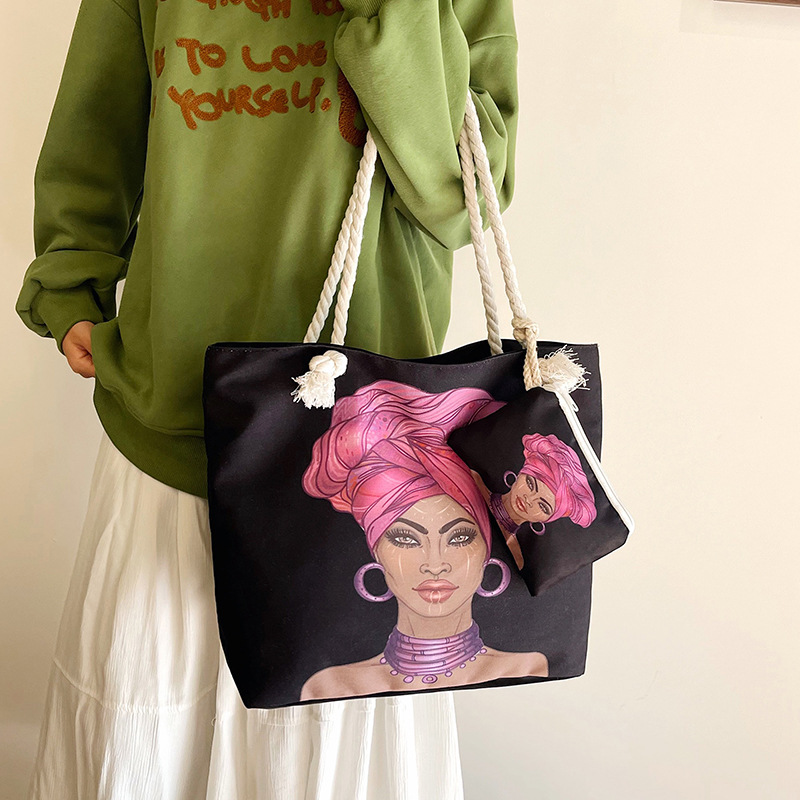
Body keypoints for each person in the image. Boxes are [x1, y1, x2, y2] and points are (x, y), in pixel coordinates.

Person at [14, 0, 519, 796]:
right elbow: (99, 118)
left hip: (367, 446)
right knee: (149, 730)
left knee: (324, 759)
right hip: (173, 422)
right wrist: (71, 277)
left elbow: (463, 197)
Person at [299, 379, 548, 702]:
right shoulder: (325, 685)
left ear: (488, 547)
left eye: (459, 537)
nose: (435, 564)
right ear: (376, 550)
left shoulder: (531, 665)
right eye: (406, 538)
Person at [471, 433, 596, 571]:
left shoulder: (516, 558)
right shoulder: (473, 480)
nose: (529, 499)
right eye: (530, 484)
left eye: (543, 506)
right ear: (521, 473)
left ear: (548, 519)